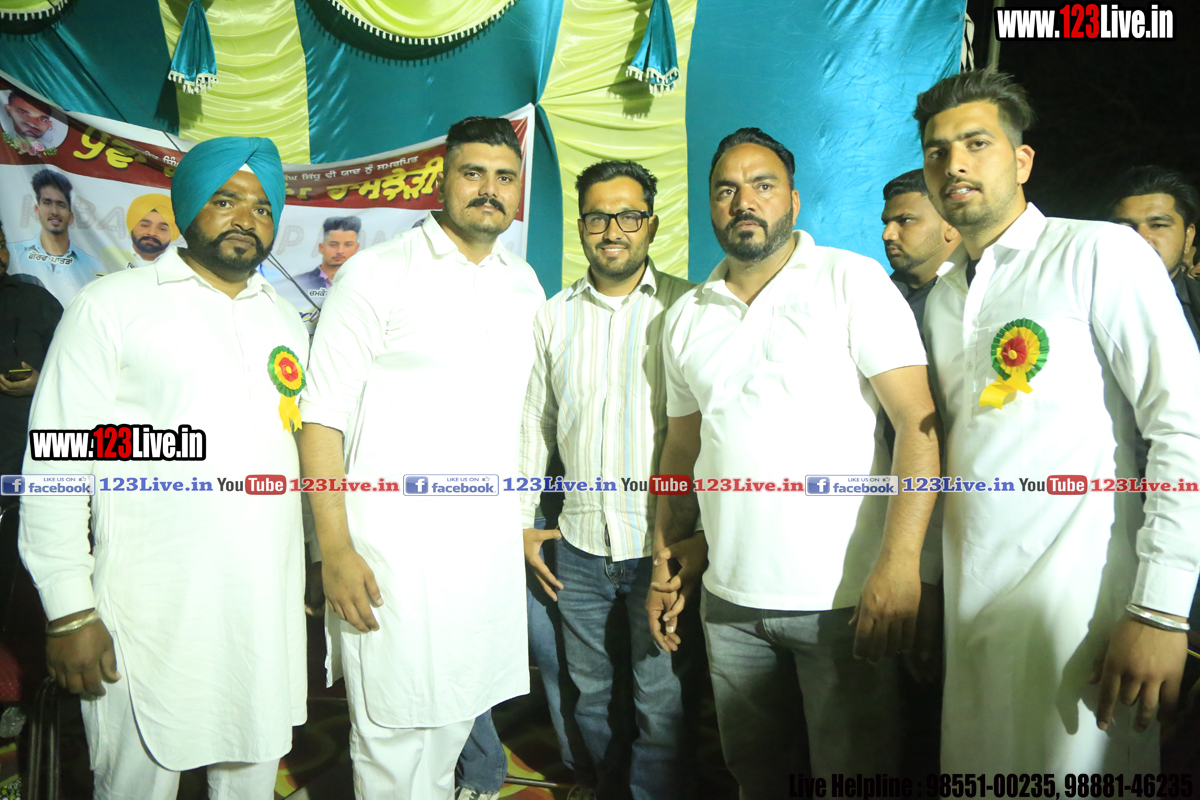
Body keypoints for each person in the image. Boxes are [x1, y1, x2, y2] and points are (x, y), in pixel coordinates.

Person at [914, 69, 1200, 776]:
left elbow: (1183, 424)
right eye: (937, 151)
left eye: (976, 143)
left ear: (1022, 160)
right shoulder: (944, 298)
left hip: (1085, 615)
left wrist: (1161, 611)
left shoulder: (1097, 253)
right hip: (972, 616)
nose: (954, 164)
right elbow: (951, 451)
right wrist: (927, 584)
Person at [650, 127, 941, 795]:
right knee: (756, 778)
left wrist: (902, 566)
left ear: (794, 199)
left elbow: (917, 426)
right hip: (727, 602)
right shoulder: (687, 316)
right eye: (726, 190)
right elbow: (682, 450)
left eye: (763, 185)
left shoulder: (850, 280)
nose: (744, 201)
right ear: (711, 205)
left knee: (854, 777)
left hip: (842, 600)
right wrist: (668, 550)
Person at [18, 136, 309, 799]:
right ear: (188, 205)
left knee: (250, 780)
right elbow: (58, 461)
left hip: (262, 614)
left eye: (263, 207)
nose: (247, 218)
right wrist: (68, 611)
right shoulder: (113, 306)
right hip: (147, 615)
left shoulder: (285, 320)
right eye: (226, 200)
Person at [299, 116, 544, 800]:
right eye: (473, 173)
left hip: (483, 558)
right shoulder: (377, 273)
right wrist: (333, 549)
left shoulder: (523, 283)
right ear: (442, 181)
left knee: (451, 727)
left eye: (504, 177)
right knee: (392, 736)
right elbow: (320, 417)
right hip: (392, 557)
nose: (489, 189)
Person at [517, 160, 696, 800]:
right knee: (590, 691)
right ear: (581, 225)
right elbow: (535, 425)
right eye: (598, 217)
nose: (612, 230)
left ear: (652, 224)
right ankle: (600, 785)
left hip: (661, 546)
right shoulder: (553, 316)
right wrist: (523, 523)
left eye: (628, 216)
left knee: (661, 696)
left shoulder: (690, 307)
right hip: (580, 544)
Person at [0, 218, 62, 624]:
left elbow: (77, 370)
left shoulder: (35, 301)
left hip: (19, 474)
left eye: (1, 243)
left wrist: (44, 383)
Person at [1107, 166, 1200, 348]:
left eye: (1158, 225)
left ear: (1188, 236)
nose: (1141, 238)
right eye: (1125, 227)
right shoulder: (1080, 303)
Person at [8, 169, 103, 308]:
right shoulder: (12, 254)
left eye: (60, 205)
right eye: (47, 203)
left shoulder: (93, 266)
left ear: (71, 217)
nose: (54, 211)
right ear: (37, 210)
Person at [881, 168, 960, 327]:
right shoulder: (873, 299)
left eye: (905, 221)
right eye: (886, 223)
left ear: (951, 225)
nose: (887, 235)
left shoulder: (980, 298)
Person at [295, 216, 361, 305]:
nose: (340, 251)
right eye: (333, 244)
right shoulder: (299, 283)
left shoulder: (365, 284)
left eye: (348, 245)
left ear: (356, 248)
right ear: (321, 247)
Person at [1, 88, 66, 156]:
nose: (33, 124)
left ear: (49, 124)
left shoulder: (51, 144)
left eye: (43, 119)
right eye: (23, 113)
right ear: (8, 110)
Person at [123, 193, 179, 270]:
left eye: (162, 229)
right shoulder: (110, 258)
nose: (152, 233)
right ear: (132, 225)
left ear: (173, 233)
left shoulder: (184, 267)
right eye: (145, 225)